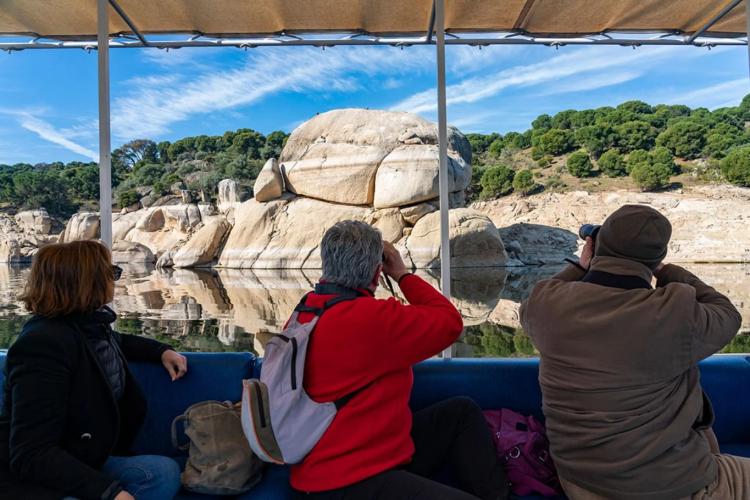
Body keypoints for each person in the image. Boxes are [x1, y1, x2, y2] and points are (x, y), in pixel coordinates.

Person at [520, 205, 744, 499]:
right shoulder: (674, 313)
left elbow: (544, 292)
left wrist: (581, 266)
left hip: (580, 483)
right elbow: (728, 315)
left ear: (592, 247)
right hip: (668, 488)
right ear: (658, 258)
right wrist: (669, 272)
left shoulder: (545, 305)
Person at [290, 220, 508, 500]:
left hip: (340, 458)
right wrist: (403, 274)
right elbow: (450, 323)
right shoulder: (373, 320)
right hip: (347, 481)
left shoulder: (305, 311)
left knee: (459, 414)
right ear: (376, 272)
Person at [0, 240, 188, 500]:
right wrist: (109, 492)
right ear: (86, 282)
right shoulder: (41, 346)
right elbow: (31, 454)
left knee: (163, 472)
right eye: (111, 273)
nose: (116, 279)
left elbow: (118, 341)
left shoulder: (87, 325)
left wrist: (160, 351)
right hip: (40, 472)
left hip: (84, 453)